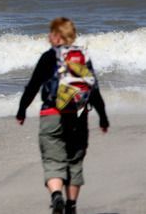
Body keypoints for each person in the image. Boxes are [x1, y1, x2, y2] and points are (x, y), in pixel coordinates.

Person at [16, 17, 109, 214]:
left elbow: (33, 85)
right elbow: (93, 88)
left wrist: (22, 109)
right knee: (74, 161)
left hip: (51, 113)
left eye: (51, 33)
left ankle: (56, 195)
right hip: (78, 115)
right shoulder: (82, 57)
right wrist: (102, 116)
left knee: (52, 160)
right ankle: (71, 205)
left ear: (57, 37)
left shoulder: (49, 57)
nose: (49, 37)